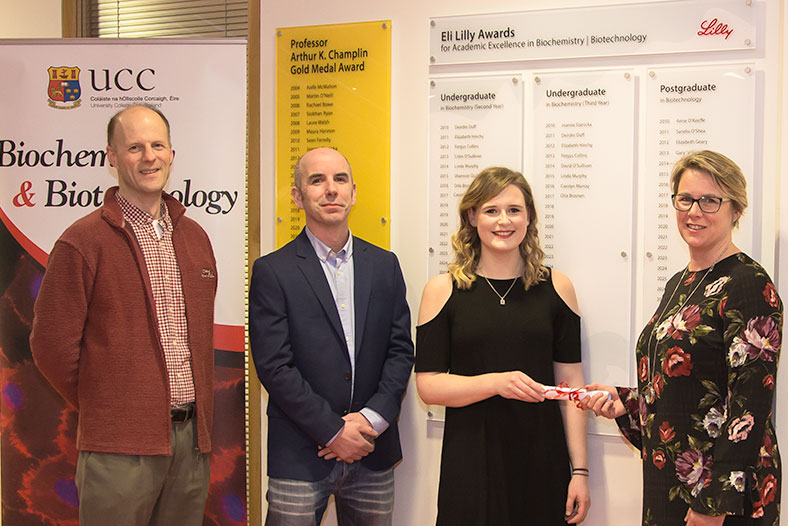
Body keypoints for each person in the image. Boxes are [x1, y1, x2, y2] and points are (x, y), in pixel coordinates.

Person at [30, 105, 217, 526]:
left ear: (172, 154)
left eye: (157, 145)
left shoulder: (195, 237)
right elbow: (51, 347)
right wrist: (111, 404)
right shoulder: (82, 241)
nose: (149, 156)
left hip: (191, 445)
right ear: (112, 157)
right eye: (134, 147)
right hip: (118, 449)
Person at [580, 150, 781, 526]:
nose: (694, 211)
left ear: (735, 209)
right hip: (673, 477)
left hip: (721, 495)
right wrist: (626, 401)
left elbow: (749, 403)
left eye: (710, 200)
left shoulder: (748, 284)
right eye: (685, 199)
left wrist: (714, 504)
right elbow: (688, 390)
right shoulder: (680, 282)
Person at [415, 167, 591, 525]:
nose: (503, 221)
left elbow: (571, 383)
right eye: (491, 210)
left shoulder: (558, 286)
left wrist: (581, 471)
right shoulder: (442, 289)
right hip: (471, 458)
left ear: (529, 218)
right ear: (472, 216)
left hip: (542, 456)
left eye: (514, 210)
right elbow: (428, 385)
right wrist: (495, 383)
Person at [249, 147, 414, 525]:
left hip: (373, 450)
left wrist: (370, 421)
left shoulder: (384, 265)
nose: (330, 190)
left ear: (353, 191)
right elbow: (274, 365)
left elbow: (400, 351)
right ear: (297, 196)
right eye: (317, 180)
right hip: (301, 455)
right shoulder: (273, 271)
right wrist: (333, 430)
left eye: (340, 180)